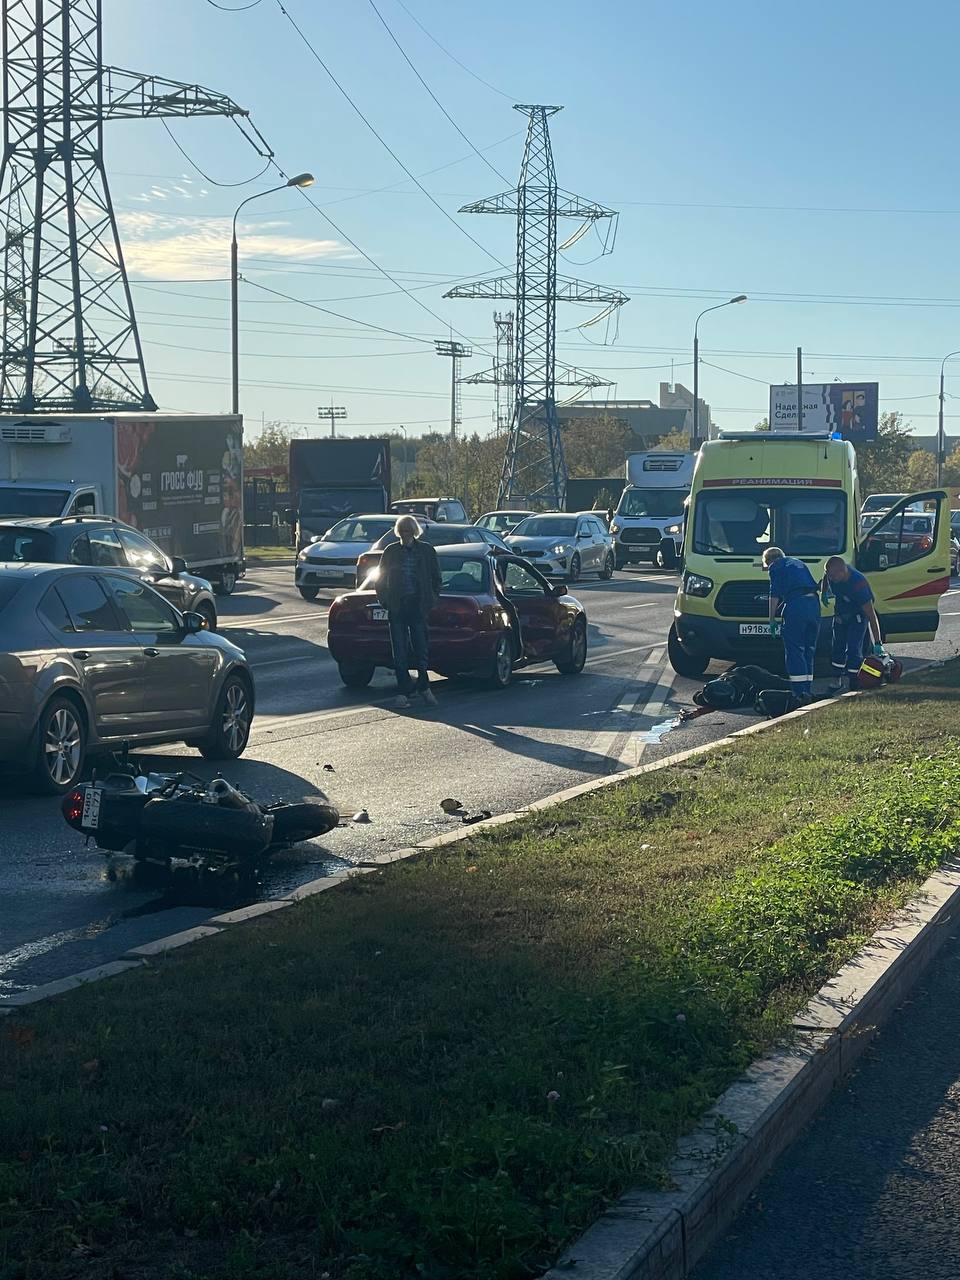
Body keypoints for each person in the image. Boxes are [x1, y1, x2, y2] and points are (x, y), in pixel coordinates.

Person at [376, 514, 442, 708]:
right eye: (402, 530)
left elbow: (436, 579)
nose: (405, 533)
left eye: (408, 530)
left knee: (421, 647)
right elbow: (380, 579)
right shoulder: (391, 551)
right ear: (398, 532)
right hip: (397, 606)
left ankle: (424, 685)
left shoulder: (427, 551)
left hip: (418, 606)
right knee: (399, 651)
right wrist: (385, 600)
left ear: (414, 531)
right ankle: (403, 690)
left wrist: (431, 600)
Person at [763, 546, 821, 702]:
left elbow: (774, 594)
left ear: (769, 561)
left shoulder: (775, 566)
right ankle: (807, 689)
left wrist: (771, 618)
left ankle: (798, 693)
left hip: (797, 607)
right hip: (814, 604)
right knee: (809, 649)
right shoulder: (797, 563)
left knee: (794, 649)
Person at [821, 556, 884, 694]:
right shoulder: (832, 575)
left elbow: (871, 615)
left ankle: (854, 682)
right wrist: (824, 591)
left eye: (833, 576)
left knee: (853, 649)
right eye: (829, 575)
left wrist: (878, 641)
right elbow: (826, 576)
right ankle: (836, 680)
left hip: (858, 616)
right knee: (837, 647)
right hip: (841, 613)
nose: (831, 579)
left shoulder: (858, 584)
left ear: (842, 572)